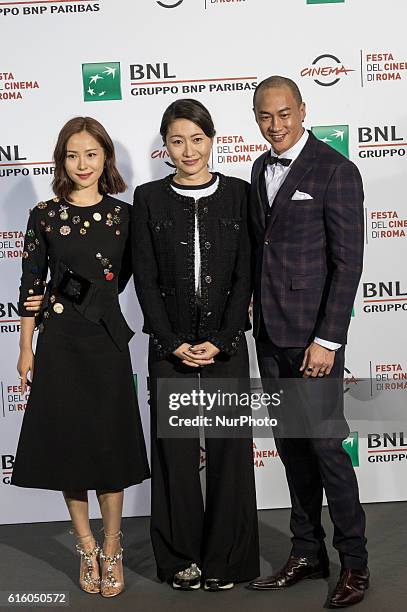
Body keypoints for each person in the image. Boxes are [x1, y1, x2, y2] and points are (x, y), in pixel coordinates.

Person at [12, 116, 150, 598]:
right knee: (70, 451)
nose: (82, 163)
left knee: (109, 450)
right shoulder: (44, 215)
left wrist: (100, 309)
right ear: (61, 160)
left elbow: (131, 277)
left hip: (105, 345)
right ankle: (86, 546)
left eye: (91, 154)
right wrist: (25, 346)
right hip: (59, 346)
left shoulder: (124, 215)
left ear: (105, 157)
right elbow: (31, 286)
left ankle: (112, 547)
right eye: (73, 155)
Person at [246, 76, 369, 608]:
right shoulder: (257, 168)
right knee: (292, 448)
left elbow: (348, 263)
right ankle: (306, 552)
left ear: (302, 109)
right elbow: (263, 245)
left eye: (283, 114)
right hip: (270, 333)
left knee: (325, 448)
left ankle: (356, 564)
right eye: (265, 117)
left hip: (314, 339)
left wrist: (328, 340)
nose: (275, 126)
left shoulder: (337, 169)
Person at [132, 98, 259, 592]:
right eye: (178, 140)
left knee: (229, 452)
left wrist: (224, 338)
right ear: (165, 146)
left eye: (198, 139)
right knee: (176, 456)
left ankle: (227, 557)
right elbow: (144, 277)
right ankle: (180, 557)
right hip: (170, 347)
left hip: (225, 343)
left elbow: (246, 273)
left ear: (213, 141)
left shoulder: (240, 194)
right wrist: (170, 341)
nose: (189, 150)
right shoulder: (148, 198)